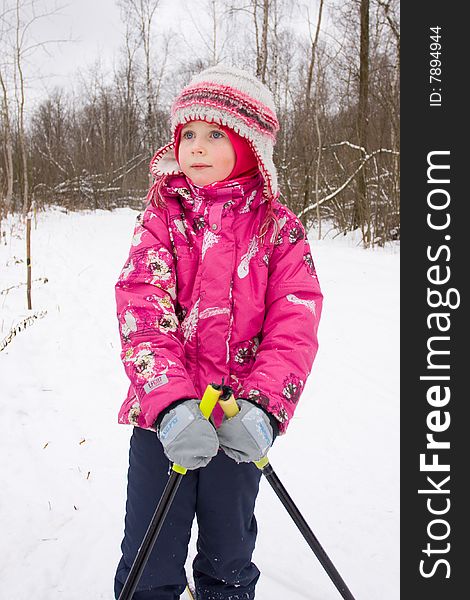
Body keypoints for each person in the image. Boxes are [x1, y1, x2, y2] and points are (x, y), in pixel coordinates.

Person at [114, 64, 323, 600]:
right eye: (187, 133)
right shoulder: (163, 219)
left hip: (237, 423)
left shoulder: (279, 230)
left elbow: (294, 323)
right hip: (163, 424)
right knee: (149, 555)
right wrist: (169, 404)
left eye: (215, 134)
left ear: (251, 145)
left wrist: (265, 407)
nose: (196, 146)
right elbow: (142, 309)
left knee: (229, 558)